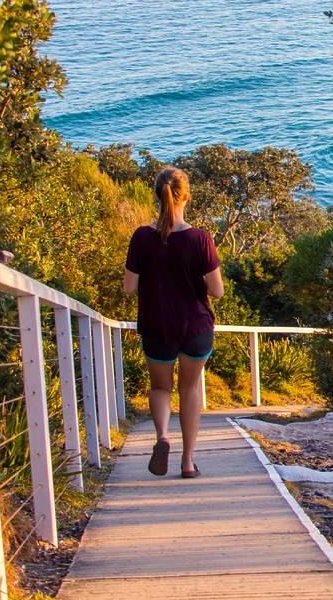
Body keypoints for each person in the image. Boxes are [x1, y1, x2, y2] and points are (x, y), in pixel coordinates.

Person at [123, 167, 224, 478]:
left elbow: (128, 287)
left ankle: (163, 437)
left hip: (157, 326)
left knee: (161, 388)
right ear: (186, 196)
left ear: (157, 196)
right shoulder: (200, 239)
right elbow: (217, 291)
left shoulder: (141, 237)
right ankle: (188, 462)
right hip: (195, 328)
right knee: (189, 389)